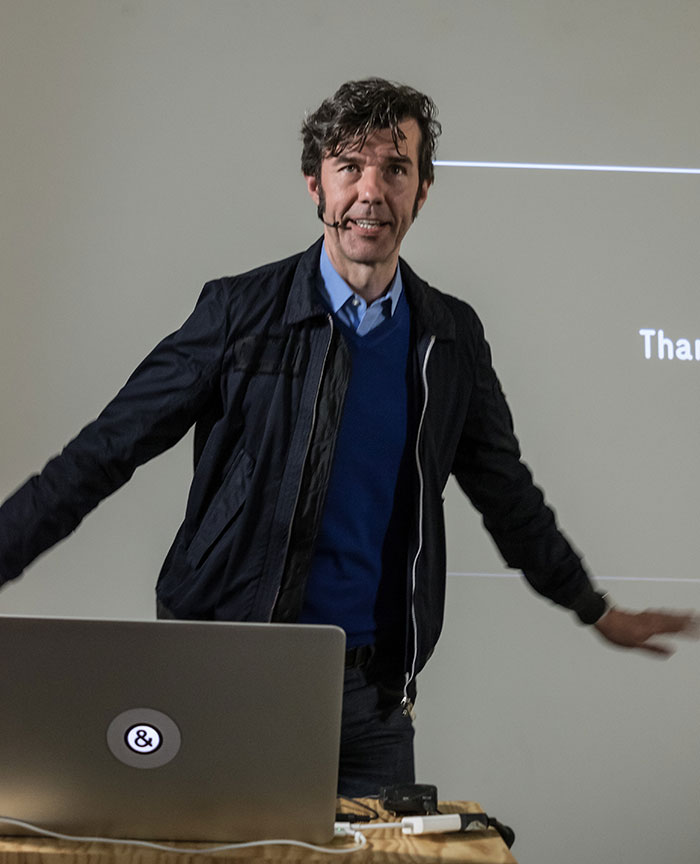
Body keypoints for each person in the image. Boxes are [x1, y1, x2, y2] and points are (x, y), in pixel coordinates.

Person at [0, 78, 696, 796]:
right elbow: (102, 452)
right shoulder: (239, 314)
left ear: (421, 192)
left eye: (395, 169)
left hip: (370, 702)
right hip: (223, 678)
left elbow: (508, 495)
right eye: (349, 167)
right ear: (315, 186)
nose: (372, 191)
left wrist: (592, 606)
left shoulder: (449, 337)